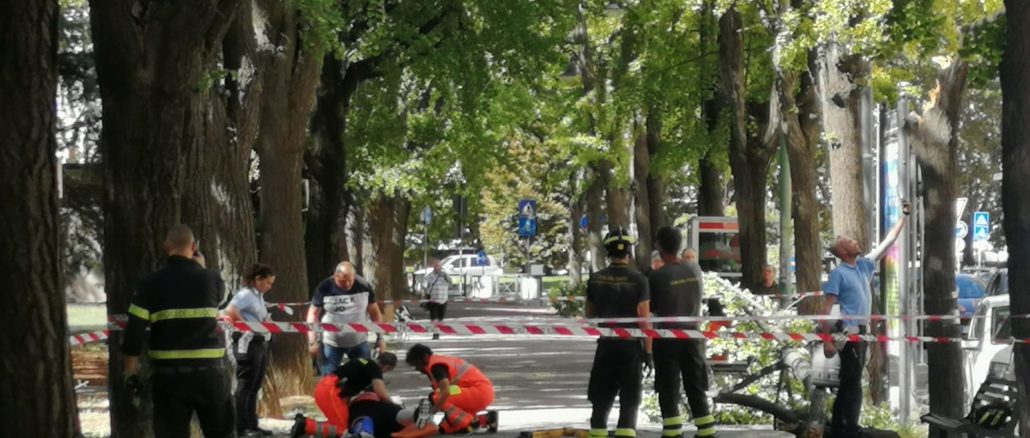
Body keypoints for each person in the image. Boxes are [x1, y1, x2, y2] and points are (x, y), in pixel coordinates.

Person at [121, 225, 234, 438]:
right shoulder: (212, 279)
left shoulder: (149, 284)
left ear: (166, 247)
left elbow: (134, 331)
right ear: (194, 247)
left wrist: (130, 372)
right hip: (210, 375)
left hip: (169, 379)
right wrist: (201, 268)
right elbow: (223, 300)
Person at [821, 201, 910, 437]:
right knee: (851, 381)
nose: (856, 242)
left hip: (861, 332)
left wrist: (905, 215)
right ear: (842, 252)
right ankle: (847, 428)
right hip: (848, 332)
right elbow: (826, 307)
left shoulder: (863, 266)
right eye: (850, 241)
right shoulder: (838, 274)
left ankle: (844, 426)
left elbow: (889, 241)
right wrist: (826, 339)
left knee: (852, 380)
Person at [649, 226, 718, 438]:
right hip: (692, 337)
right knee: (695, 384)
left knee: (668, 386)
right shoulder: (694, 270)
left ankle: (672, 431)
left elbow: (650, 307)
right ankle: (706, 429)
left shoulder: (657, 277)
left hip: (667, 339)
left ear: (659, 246)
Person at [585, 227, 652, 438]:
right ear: (629, 253)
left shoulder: (596, 279)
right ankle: (626, 431)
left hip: (606, 345)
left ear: (608, 252)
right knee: (630, 397)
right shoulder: (640, 280)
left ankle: (598, 431)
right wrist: (648, 352)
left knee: (600, 394)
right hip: (630, 346)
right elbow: (644, 319)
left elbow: (590, 313)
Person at [291, 353, 436, 438]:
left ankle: (305, 424)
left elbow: (346, 391)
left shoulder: (364, 362)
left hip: (327, 388)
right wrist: (393, 404)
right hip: (330, 391)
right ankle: (306, 426)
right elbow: (381, 393)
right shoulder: (374, 369)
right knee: (344, 429)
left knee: (343, 423)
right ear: (386, 367)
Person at [225, 263, 276, 436]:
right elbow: (230, 309)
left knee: (255, 385)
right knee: (245, 385)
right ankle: (241, 427)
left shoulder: (259, 296)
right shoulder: (246, 294)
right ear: (257, 279)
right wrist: (246, 325)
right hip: (247, 342)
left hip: (260, 341)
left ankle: (252, 424)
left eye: (271, 283)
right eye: (267, 282)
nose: (269, 286)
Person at [308, 261, 385, 375]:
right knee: (330, 378)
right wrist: (312, 342)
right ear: (336, 276)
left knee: (365, 373)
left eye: (351, 280)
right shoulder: (324, 287)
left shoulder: (364, 286)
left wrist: (380, 338)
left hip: (359, 345)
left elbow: (375, 314)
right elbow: (313, 314)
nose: (348, 284)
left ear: (354, 276)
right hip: (331, 345)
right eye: (343, 281)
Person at [405, 344, 499, 434]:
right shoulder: (439, 362)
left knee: (436, 397)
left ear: (425, 357)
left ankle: (471, 423)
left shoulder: (436, 366)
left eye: (417, 364)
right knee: (444, 428)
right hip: (478, 393)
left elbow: (445, 392)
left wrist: (433, 411)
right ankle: (487, 419)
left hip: (478, 392)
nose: (417, 368)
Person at [422, 258, 452, 340]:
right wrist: (424, 293)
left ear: (441, 267)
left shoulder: (445, 276)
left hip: (443, 300)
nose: (437, 268)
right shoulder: (430, 276)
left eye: (438, 266)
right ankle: (435, 334)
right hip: (433, 300)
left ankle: (438, 331)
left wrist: (446, 276)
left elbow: (451, 283)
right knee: (434, 317)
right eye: (435, 266)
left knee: (440, 318)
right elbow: (424, 285)